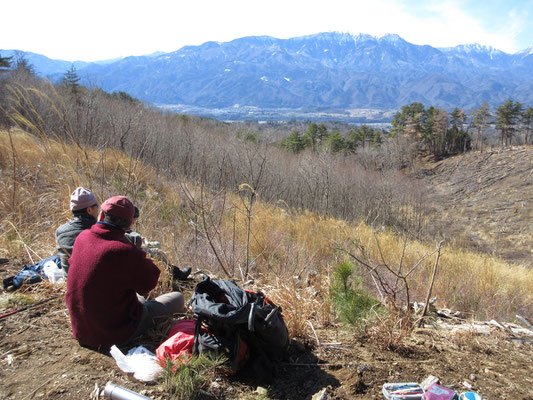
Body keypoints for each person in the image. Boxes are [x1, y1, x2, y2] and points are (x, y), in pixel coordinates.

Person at [66, 195, 185, 352]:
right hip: (114, 336)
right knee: (178, 298)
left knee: (138, 298)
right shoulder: (123, 251)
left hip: (82, 330)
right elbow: (150, 282)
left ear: (101, 215)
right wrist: (135, 248)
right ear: (130, 224)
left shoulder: (82, 237)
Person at [125, 206, 191, 281]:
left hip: (134, 245)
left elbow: (129, 232)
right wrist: (138, 238)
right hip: (131, 248)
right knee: (159, 254)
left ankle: (169, 270)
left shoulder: (124, 223)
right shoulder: (122, 223)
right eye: (134, 219)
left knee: (157, 244)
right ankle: (176, 274)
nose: (134, 222)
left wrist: (138, 236)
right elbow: (127, 238)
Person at [55, 187, 99, 275]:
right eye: (97, 207)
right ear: (89, 210)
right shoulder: (99, 231)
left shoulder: (60, 231)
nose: (98, 210)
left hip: (68, 283)